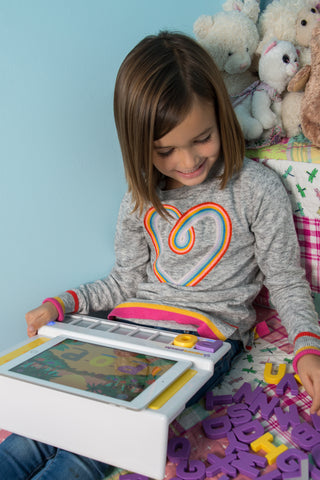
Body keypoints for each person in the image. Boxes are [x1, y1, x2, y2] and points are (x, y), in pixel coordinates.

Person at [1, 30, 320, 480]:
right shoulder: (139, 198)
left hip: (202, 339)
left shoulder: (256, 189)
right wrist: (65, 302)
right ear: (139, 146)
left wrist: (307, 346)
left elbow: (287, 280)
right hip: (122, 330)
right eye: (165, 150)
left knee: (92, 444)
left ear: (221, 118)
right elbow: (123, 282)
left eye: (202, 138)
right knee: (35, 427)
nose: (187, 161)